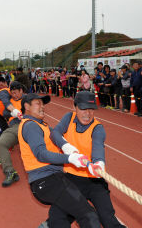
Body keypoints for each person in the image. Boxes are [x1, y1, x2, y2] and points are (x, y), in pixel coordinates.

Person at [18, 93, 100, 228]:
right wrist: (70, 158)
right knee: (88, 215)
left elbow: (55, 135)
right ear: (26, 106)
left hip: (49, 179)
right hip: (47, 180)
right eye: (38, 103)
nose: (42, 106)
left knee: (63, 215)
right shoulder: (31, 126)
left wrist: (67, 147)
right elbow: (41, 154)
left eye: (43, 103)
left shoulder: (40, 124)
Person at [50, 91, 126, 228]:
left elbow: (98, 148)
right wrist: (66, 147)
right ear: (75, 107)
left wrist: (99, 163)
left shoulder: (98, 128)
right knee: (58, 217)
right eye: (83, 109)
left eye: (91, 109)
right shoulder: (69, 118)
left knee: (107, 218)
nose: (88, 113)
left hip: (93, 180)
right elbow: (55, 133)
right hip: (71, 179)